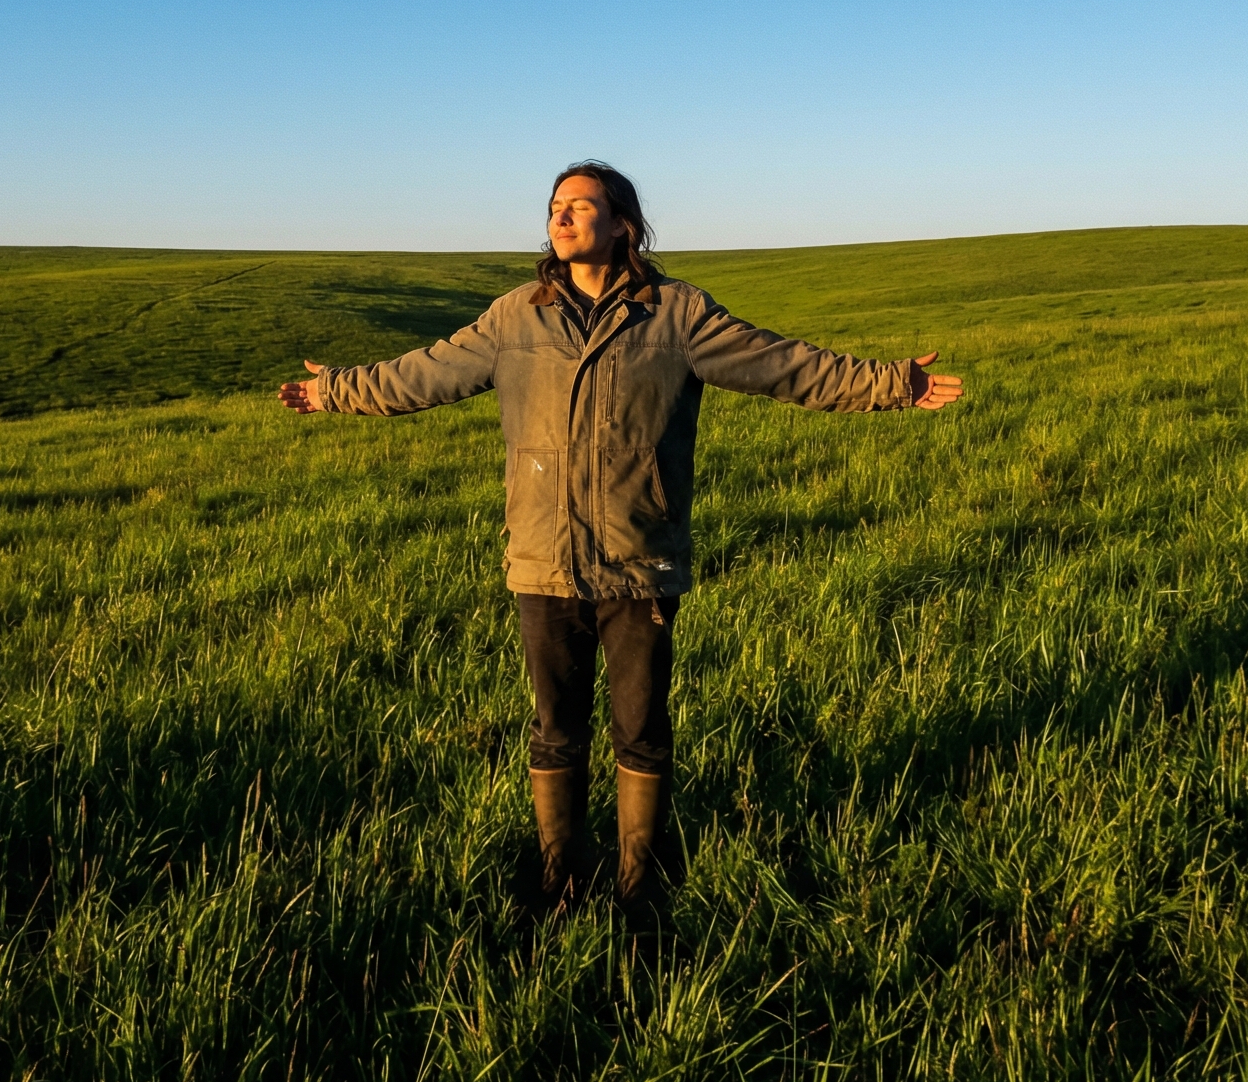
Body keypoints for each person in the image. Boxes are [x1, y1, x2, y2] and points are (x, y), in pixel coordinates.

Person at [278, 162, 963, 923]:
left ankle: (639, 889)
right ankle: (559, 881)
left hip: (641, 561)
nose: (562, 216)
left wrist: (891, 382)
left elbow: (783, 364)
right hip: (543, 561)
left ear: (622, 224)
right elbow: (424, 374)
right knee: (556, 728)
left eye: (581, 205)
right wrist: (334, 390)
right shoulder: (516, 317)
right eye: (555, 206)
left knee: (640, 729)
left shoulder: (676, 315)